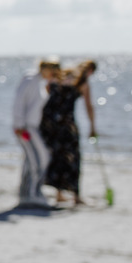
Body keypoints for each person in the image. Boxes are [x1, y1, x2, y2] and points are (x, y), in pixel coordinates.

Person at [40, 59, 98, 204]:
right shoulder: (81, 82)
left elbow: (48, 91)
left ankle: (59, 193)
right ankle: (76, 196)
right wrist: (92, 127)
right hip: (67, 124)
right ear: (90, 71)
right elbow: (89, 107)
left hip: (49, 123)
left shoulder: (60, 76)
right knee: (74, 158)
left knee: (57, 156)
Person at [12, 57, 62, 207]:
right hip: (26, 128)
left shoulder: (39, 83)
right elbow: (19, 102)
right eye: (53, 72)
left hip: (32, 127)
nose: (53, 76)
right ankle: (31, 194)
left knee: (36, 159)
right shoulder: (30, 79)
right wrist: (19, 125)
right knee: (38, 160)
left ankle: (29, 193)